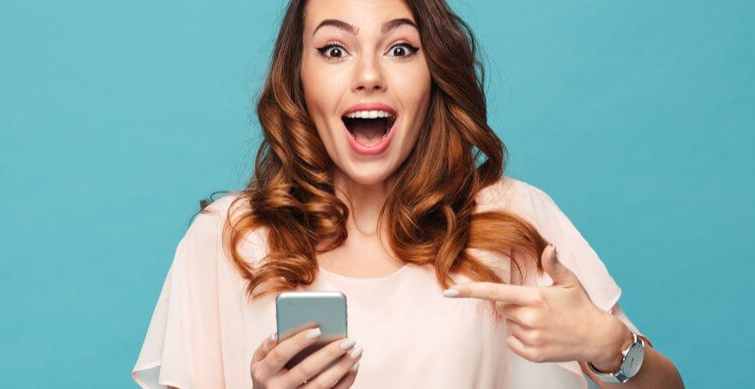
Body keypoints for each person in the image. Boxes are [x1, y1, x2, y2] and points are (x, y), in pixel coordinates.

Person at [131, 0, 684, 388]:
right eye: (333, 50)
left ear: (433, 73)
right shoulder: (229, 240)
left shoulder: (514, 218)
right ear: (298, 79)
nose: (369, 75)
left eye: (399, 48)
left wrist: (608, 344)